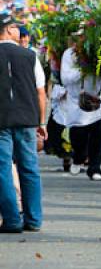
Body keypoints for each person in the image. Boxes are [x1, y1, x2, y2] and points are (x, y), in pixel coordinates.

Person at [0, 14, 46, 233]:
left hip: (1, 120)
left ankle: (12, 220)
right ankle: (34, 219)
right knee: (29, 168)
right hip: (27, 118)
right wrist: (42, 121)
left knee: (3, 170)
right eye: (16, 28)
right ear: (8, 30)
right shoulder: (30, 55)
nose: (19, 32)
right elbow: (40, 91)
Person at [61, 42, 101, 181]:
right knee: (78, 135)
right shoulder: (69, 54)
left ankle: (95, 168)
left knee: (98, 136)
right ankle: (78, 158)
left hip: (98, 100)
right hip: (78, 101)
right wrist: (83, 69)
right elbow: (65, 79)